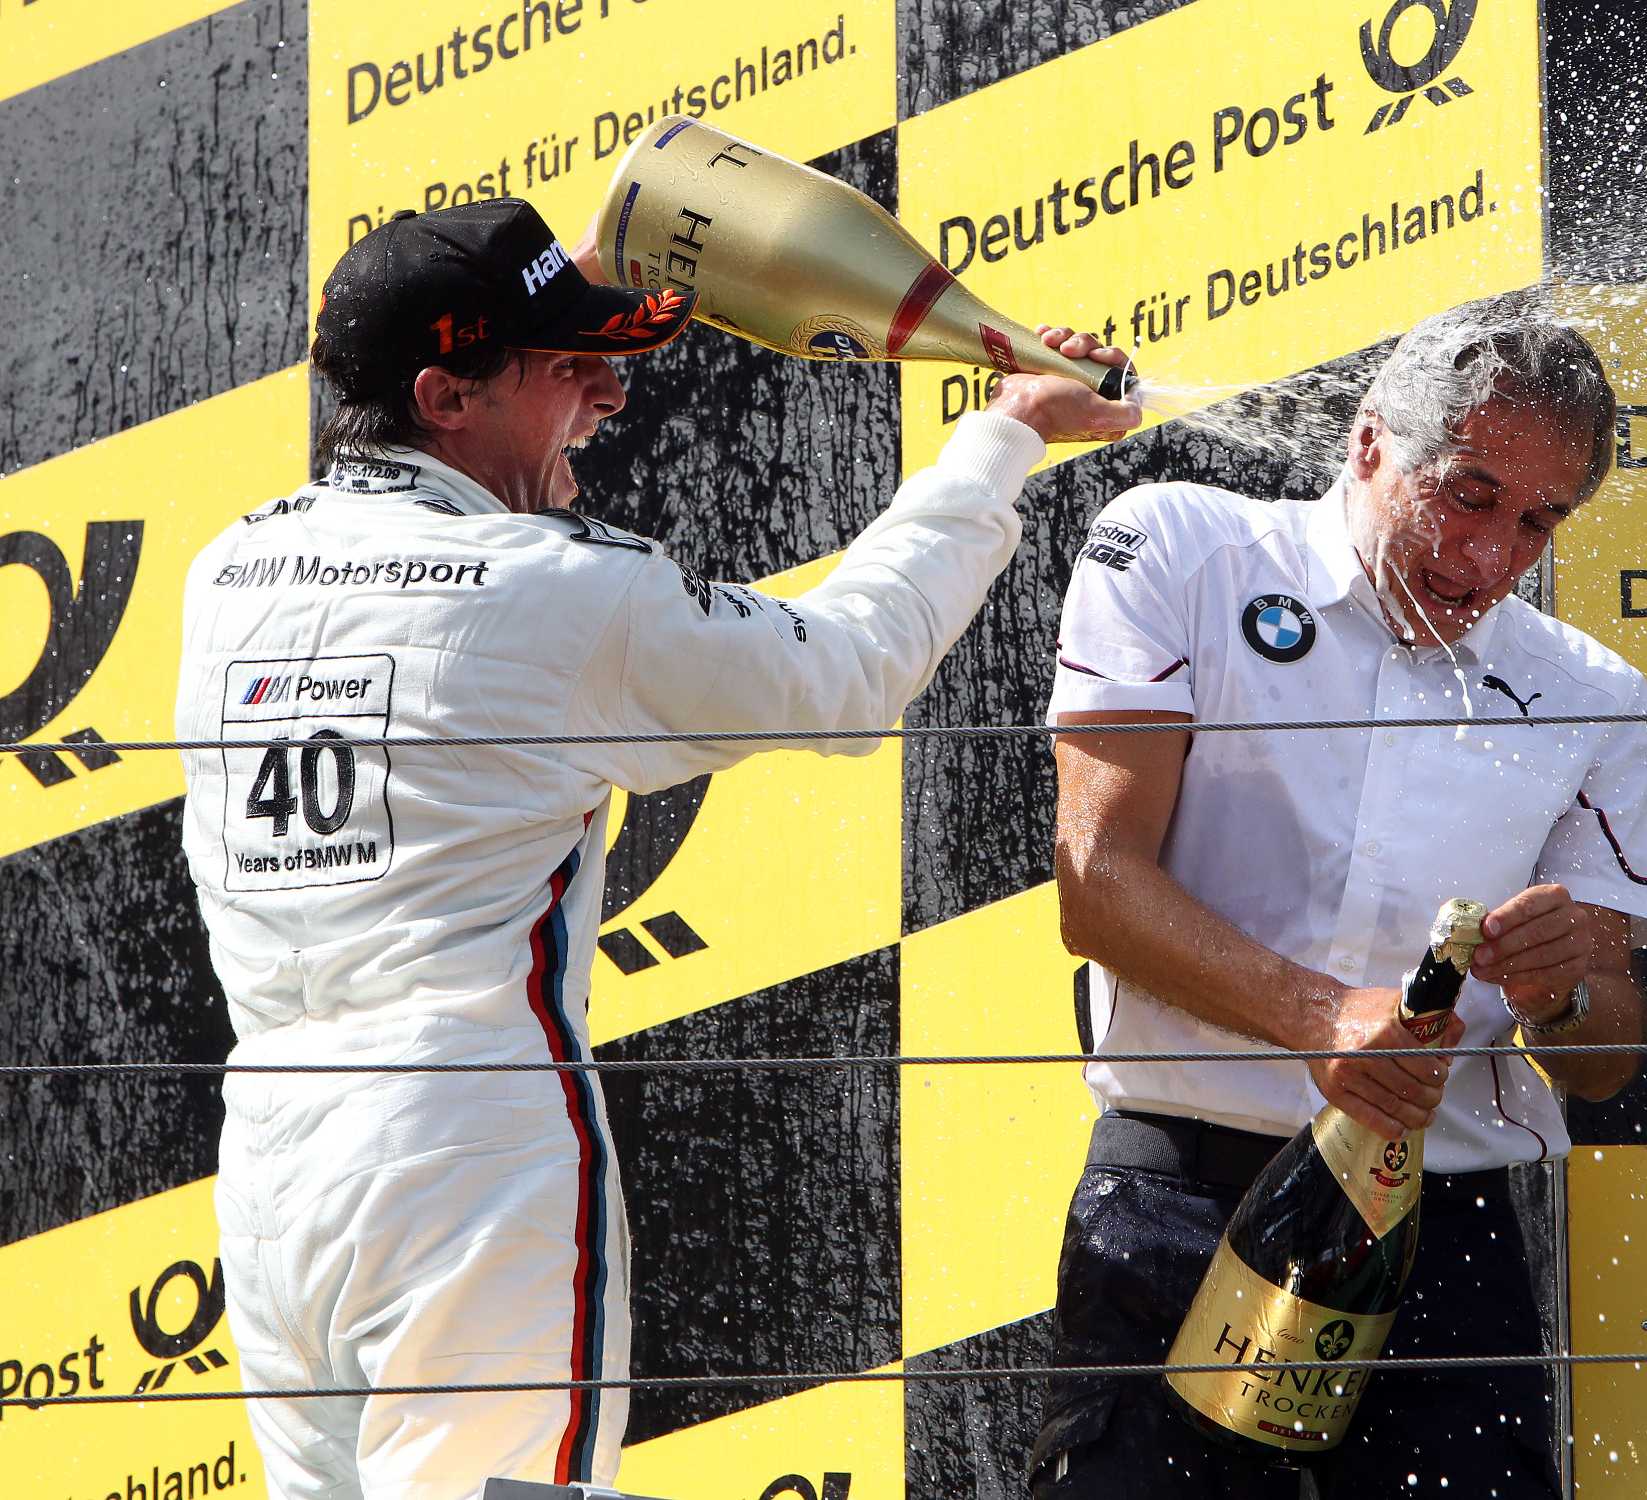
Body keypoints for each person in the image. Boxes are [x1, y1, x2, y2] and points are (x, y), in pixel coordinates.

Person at [174, 197, 1138, 1500]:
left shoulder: (226, 571)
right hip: (462, 1151)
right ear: (445, 398)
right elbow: (847, 675)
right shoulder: (555, 592)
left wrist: (554, 274)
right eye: (566, 366)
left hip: (273, 1173)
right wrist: (998, 440)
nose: (606, 396)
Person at [1034, 292, 1647, 1497]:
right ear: (1371, 442)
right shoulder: (1180, 544)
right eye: (1470, 493)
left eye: (1541, 521)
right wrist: (1324, 1019)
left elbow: (1606, 1054)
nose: (1491, 557)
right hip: (1182, 1190)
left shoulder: (1588, 688)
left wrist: (1559, 998)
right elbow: (1096, 887)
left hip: (1454, 1225)